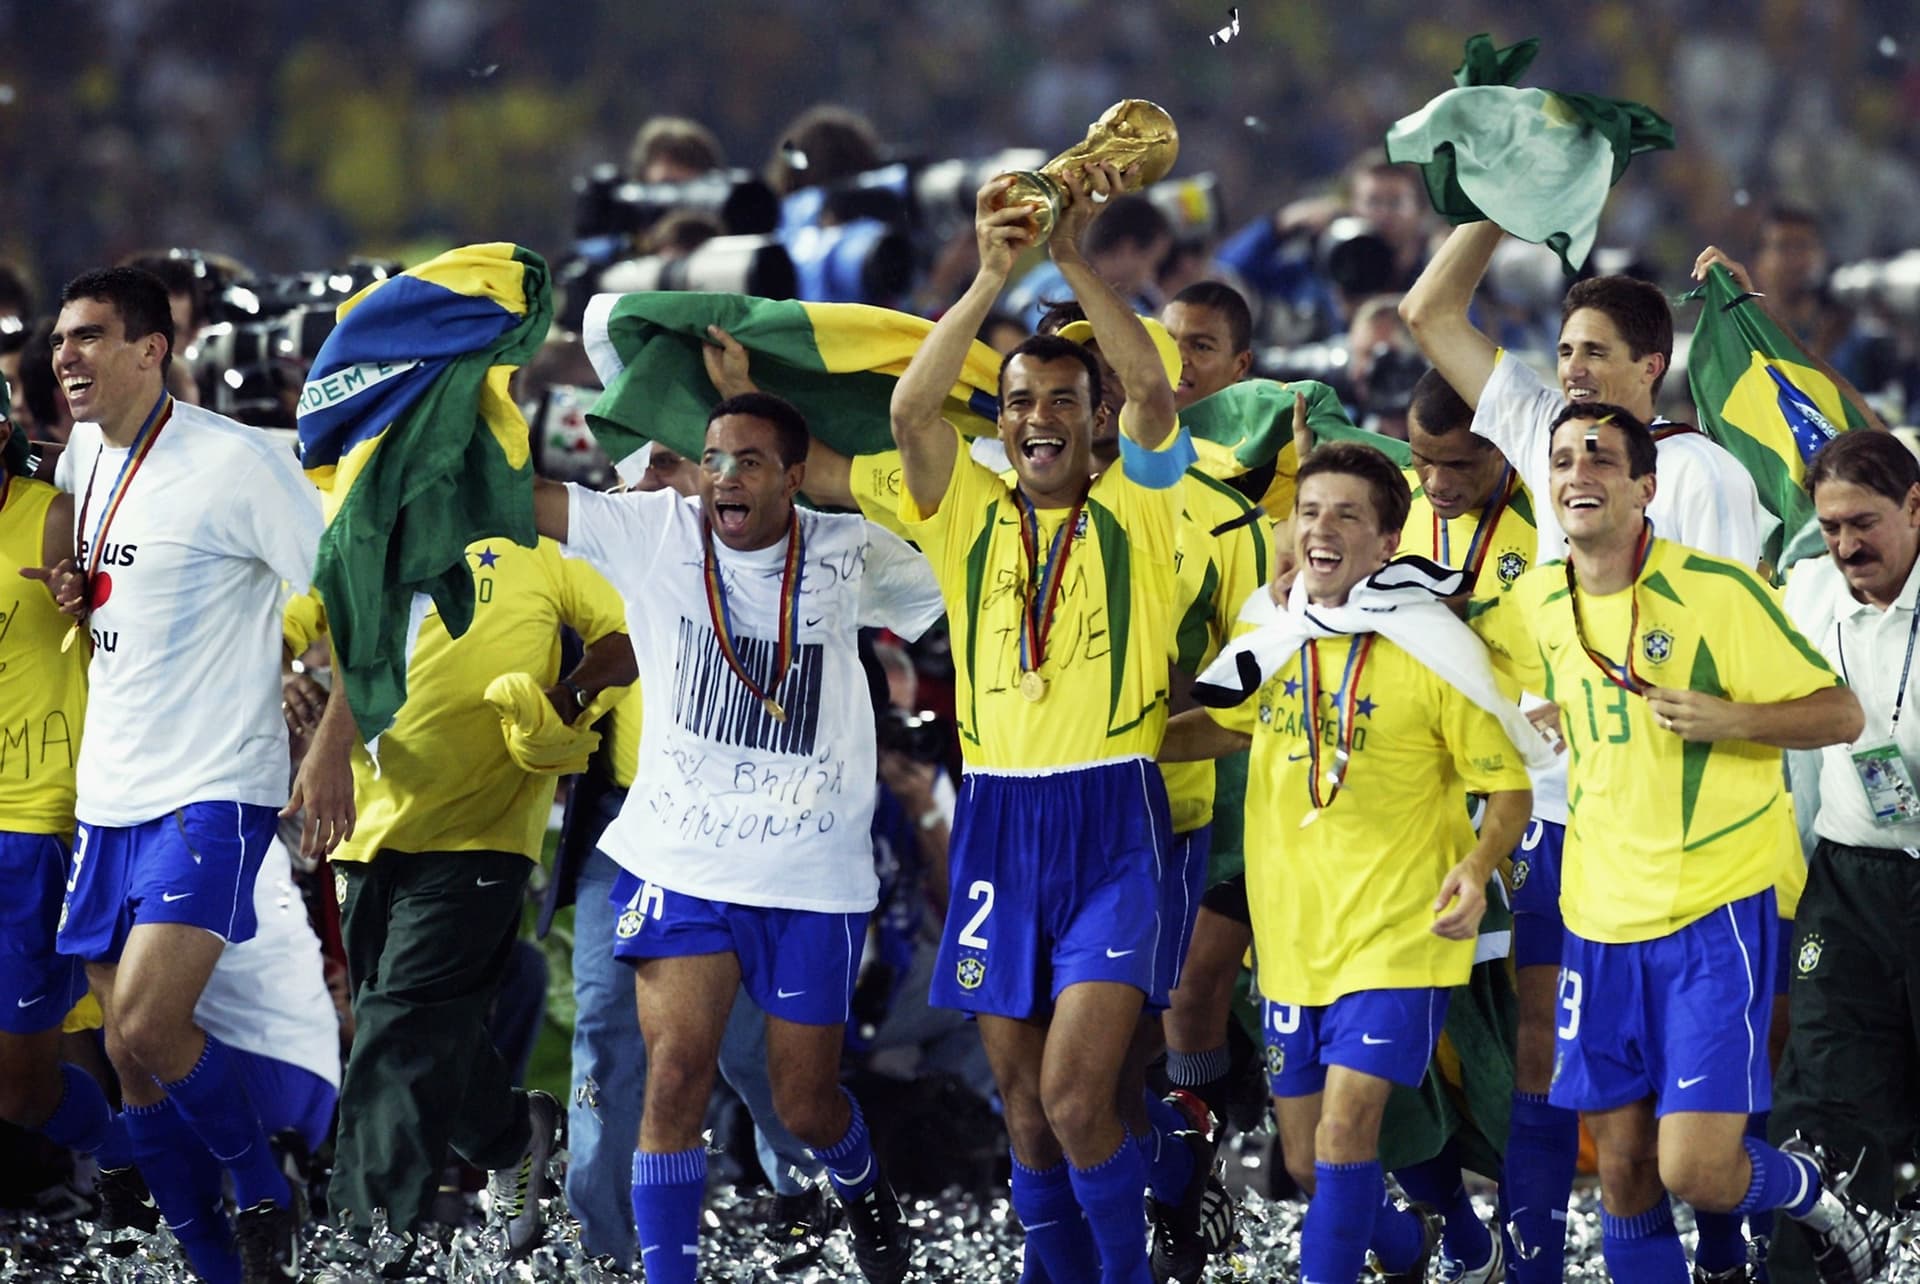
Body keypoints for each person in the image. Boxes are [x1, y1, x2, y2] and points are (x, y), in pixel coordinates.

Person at [530, 389, 944, 1284]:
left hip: (808, 873)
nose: (724, 476)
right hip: (683, 855)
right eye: (714, 457)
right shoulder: (656, 532)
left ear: (796, 479)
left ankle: (862, 1188)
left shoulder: (846, 553)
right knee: (674, 1074)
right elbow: (523, 498)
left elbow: (963, 562)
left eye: (751, 462)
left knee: (804, 1105)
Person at [1468, 402, 1883, 1284]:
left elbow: (1840, 713)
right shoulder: (1539, 599)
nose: (1580, 472)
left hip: (1710, 915)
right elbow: (1486, 652)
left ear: (1645, 487)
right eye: (1564, 460)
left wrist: (1733, 717)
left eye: (1602, 459)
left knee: (1692, 1166)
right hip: (1597, 914)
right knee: (1619, 1169)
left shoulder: (1716, 592)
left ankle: (1814, 1194)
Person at [891, 162, 1191, 1284]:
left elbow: (1157, 398)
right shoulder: (964, 508)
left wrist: (1069, 255)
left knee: (1075, 1096)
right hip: (997, 825)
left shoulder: (1141, 505)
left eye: (1063, 401)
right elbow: (912, 409)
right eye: (1019, 403)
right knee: (1026, 1110)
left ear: (1093, 417)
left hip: (1113, 816)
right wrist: (988, 277)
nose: (1038, 419)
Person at [35, 265, 349, 1282]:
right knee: (127, 1058)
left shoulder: (241, 466)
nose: (64, 358)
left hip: (214, 786)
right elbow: (70, 519)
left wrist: (333, 734)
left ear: (150, 349)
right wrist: (71, 573)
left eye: (86, 338)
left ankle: (264, 1191)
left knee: (147, 1023)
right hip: (110, 791)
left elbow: (353, 601)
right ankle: (220, 1268)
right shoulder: (85, 449)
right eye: (56, 342)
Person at [1160, 441, 1535, 1284]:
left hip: (1400, 937)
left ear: (1386, 540)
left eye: (1347, 514)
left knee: (1343, 1136)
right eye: (1310, 510)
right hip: (1292, 942)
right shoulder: (1277, 635)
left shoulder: (1435, 650)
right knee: (1305, 1160)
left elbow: (1507, 788)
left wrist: (1477, 870)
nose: (1321, 529)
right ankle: (1423, 1246)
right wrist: (1121, 748)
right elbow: (1227, 724)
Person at [286, 512, 633, 1260]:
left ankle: (363, 1246)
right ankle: (512, 1135)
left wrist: (566, 701)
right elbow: (285, 613)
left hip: (485, 828)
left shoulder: (542, 541)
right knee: (417, 1025)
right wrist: (285, 673)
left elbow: (625, 637)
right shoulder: (360, 526)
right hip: (365, 825)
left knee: (400, 1029)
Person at [543, 440, 825, 1272]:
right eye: (642, 469)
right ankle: (604, 1243)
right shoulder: (597, 550)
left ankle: (802, 1181)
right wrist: (566, 696)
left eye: (673, 464)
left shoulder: (768, 553)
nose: (654, 483)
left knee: (741, 1041)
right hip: (622, 833)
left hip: (730, 835)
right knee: (605, 1027)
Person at [1400, 222, 1773, 566]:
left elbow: (1725, 622)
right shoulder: (1543, 427)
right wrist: (1494, 205)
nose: (1573, 370)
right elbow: (1428, 315)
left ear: (1650, 367)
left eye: (1595, 352)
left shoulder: (1704, 473)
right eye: (1565, 352)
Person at [1772, 430, 1920, 1284]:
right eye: (1829, 526)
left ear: (1913, 505)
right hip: (1849, 875)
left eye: (1862, 522)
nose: (1845, 544)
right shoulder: (1807, 591)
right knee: (1823, 1087)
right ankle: (1805, 1270)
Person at [0, 376, 135, 1221]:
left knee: (20, 1090)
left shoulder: (52, 515)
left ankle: (140, 1160)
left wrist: (80, 600)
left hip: (31, 820)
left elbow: (118, 627)